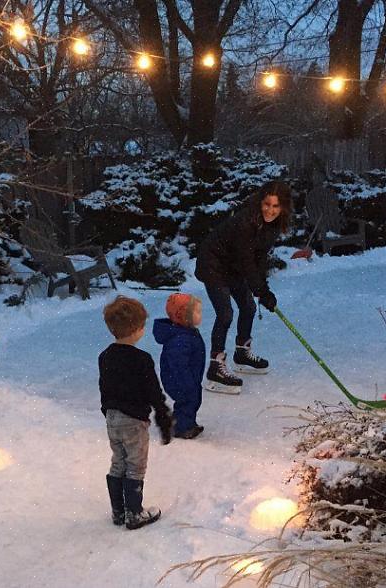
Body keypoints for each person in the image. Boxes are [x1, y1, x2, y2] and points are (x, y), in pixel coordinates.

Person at [194, 180, 293, 394]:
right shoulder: (246, 222)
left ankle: (242, 353)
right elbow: (247, 260)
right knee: (225, 313)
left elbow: (259, 258)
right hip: (214, 263)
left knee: (248, 307)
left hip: (233, 265)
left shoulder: (272, 226)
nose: (270, 210)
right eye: (267, 204)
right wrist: (261, 291)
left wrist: (263, 289)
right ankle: (215, 368)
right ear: (260, 202)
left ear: (283, 207)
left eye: (276, 206)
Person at [99, 296, 173, 530]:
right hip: (134, 419)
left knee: (118, 461)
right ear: (136, 329)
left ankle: (118, 511)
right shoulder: (141, 359)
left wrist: (108, 411)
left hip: (113, 418)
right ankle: (134, 513)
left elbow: (104, 387)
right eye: (142, 325)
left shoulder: (106, 356)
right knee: (135, 464)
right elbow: (153, 391)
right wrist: (162, 414)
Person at [152, 293, 206, 439]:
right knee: (187, 401)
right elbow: (178, 365)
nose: (201, 315)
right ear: (185, 316)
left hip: (189, 378)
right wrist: (187, 382)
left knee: (192, 400)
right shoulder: (181, 339)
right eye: (197, 312)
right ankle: (181, 428)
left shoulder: (187, 333)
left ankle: (187, 423)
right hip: (180, 380)